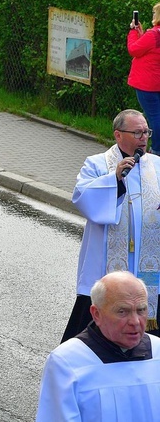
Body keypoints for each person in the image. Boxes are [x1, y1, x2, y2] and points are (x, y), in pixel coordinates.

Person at [61, 109, 160, 342]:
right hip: (105, 265)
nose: (144, 137)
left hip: (149, 265)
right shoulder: (96, 164)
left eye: (146, 131)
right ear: (118, 135)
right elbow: (82, 198)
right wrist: (113, 179)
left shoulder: (157, 166)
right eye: (137, 132)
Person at [36, 271, 160, 422]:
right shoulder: (66, 362)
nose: (135, 321)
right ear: (96, 314)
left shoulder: (157, 350)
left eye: (141, 310)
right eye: (122, 311)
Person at [127, 3, 160, 152]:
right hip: (157, 82)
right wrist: (141, 35)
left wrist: (133, 32)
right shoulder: (152, 36)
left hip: (147, 84)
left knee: (154, 118)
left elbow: (134, 49)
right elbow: (149, 50)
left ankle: (156, 149)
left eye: (154, 13)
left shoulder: (154, 34)